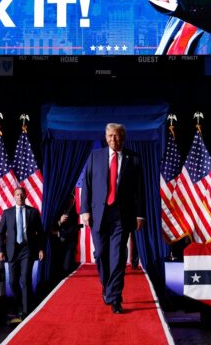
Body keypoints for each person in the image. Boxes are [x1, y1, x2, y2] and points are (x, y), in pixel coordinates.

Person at [81, 123, 145, 314]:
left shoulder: (133, 158)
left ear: (123, 137)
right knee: (101, 255)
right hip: (98, 215)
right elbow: (87, 185)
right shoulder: (95, 156)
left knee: (117, 257)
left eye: (116, 136)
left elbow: (139, 190)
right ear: (105, 137)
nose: (112, 139)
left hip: (121, 216)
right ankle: (108, 286)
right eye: (109, 136)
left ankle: (115, 297)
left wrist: (140, 214)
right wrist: (85, 210)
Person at [0, 187, 45, 321]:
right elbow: (0, 233)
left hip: (27, 250)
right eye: (17, 195)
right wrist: (0, 250)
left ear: (26, 196)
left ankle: (25, 311)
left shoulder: (33, 212)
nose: (19, 197)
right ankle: (19, 304)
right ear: (14, 196)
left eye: (22, 194)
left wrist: (41, 249)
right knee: (13, 282)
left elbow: (40, 233)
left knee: (25, 280)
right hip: (12, 251)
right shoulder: (7, 213)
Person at [49, 191, 80, 281]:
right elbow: (51, 226)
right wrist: (59, 221)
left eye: (71, 200)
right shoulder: (57, 211)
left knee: (66, 267)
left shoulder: (75, 213)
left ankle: (65, 282)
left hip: (69, 243)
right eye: (68, 200)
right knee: (57, 266)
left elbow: (75, 228)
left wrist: (59, 233)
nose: (69, 202)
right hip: (57, 244)